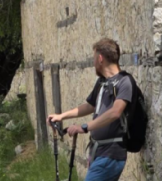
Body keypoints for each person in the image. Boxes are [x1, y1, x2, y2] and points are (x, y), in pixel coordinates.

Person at [47, 38, 133, 181]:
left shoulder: (125, 82)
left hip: (111, 154)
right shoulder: (102, 82)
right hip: (99, 152)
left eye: (94, 58)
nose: (93, 63)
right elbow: (89, 106)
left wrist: (84, 127)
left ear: (100, 59)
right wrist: (61, 116)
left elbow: (115, 112)